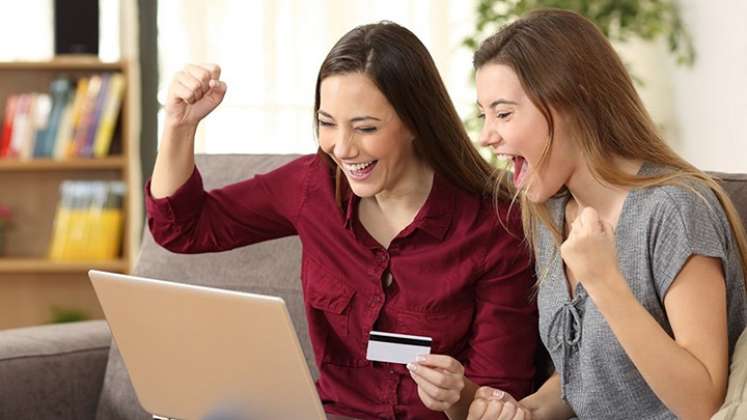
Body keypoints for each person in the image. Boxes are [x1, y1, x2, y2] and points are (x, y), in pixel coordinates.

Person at [146, 22, 538, 420]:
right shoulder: (312, 187)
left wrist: (458, 394)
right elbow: (183, 228)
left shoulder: (495, 223)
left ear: (417, 122)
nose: (343, 148)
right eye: (327, 123)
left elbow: (500, 395)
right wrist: (180, 126)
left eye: (365, 128)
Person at [467, 9, 747, 420]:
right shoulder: (550, 213)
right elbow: (585, 379)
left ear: (574, 102)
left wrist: (604, 281)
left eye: (504, 113)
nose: (487, 135)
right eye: (484, 115)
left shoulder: (675, 209)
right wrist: (522, 411)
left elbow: (701, 401)